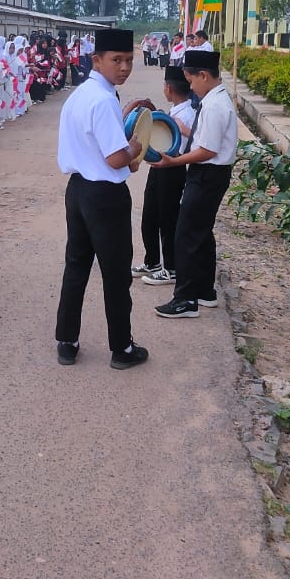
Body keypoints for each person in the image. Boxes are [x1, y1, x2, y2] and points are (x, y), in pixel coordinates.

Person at [53, 27, 149, 370]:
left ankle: (67, 340)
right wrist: (135, 146)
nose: (124, 67)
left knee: (76, 266)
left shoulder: (80, 94)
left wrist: (123, 123)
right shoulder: (105, 99)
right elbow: (115, 158)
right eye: (116, 60)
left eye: (129, 60)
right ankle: (122, 348)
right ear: (98, 60)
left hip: (77, 191)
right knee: (116, 272)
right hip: (105, 197)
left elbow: (95, 141)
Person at [155, 48, 238, 319]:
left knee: (187, 234)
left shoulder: (214, 105)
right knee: (201, 233)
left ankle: (186, 299)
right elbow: (205, 139)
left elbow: (207, 151)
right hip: (211, 174)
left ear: (203, 75)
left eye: (191, 81)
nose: (189, 87)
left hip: (207, 174)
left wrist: (173, 162)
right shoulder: (215, 100)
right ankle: (205, 291)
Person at [135, 65, 198, 286]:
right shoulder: (176, 112)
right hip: (159, 169)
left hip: (173, 170)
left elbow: (191, 145)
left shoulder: (187, 116)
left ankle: (171, 267)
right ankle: (152, 261)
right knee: (150, 216)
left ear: (168, 88)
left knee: (167, 220)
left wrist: (182, 130)